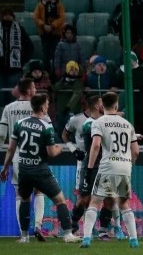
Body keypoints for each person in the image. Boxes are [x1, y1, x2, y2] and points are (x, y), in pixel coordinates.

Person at [0, 93, 81, 243]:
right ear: (43, 107)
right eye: (47, 104)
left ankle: (24, 236)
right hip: (40, 170)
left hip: (23, 169)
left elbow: (11, 149)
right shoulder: (46, 126)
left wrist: (5, 168)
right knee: (60, 200)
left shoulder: (20, 124)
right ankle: (68, 234)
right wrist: (58, 149)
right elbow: (51, 152)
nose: (48, 106)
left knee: (24, 199)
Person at [80, 92, 141, 249]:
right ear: (116, 105)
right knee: (124, 203)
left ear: (102, 106)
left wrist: (89, 168)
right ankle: (133, 239)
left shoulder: (99, 122)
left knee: (95, 201)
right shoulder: (128, 124)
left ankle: (86, 238)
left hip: (107, 166)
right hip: (125, 167)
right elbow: (136, 151)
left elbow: (95, 146)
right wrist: (130, 164)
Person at [68, 95, 122, 239]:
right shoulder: (89, 124)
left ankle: (103, 230)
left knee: (109, 198)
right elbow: (96, 145)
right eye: (101, 103)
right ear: (98, 107)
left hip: (105, 166)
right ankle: (72, 229)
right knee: (84, 198)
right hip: (91, 166)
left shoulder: (103, 122)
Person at [0, 78, 47, 239]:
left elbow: (1, 135)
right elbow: (47, 129)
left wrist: (5, 165)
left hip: (18, 156)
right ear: (28, 91)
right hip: (37, 155)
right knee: (39, 190)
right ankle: (39, 225)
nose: (36, 89)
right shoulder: (37, 106)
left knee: (20, 194)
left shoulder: (8, 108)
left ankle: (23, 234)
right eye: (34, 87)